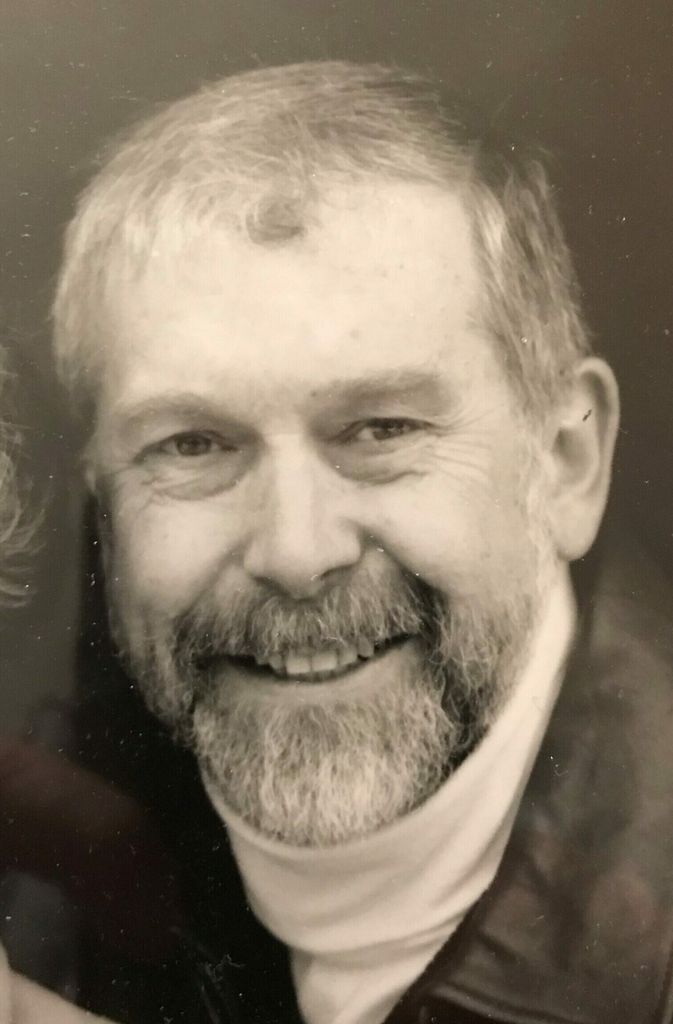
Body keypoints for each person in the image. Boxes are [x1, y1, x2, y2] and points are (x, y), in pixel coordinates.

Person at [50, 61, 673, 1024]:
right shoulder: (37, 886)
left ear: (565, 461)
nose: (297, 554)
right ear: (103, 500)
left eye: (381, 429)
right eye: (193, 444)